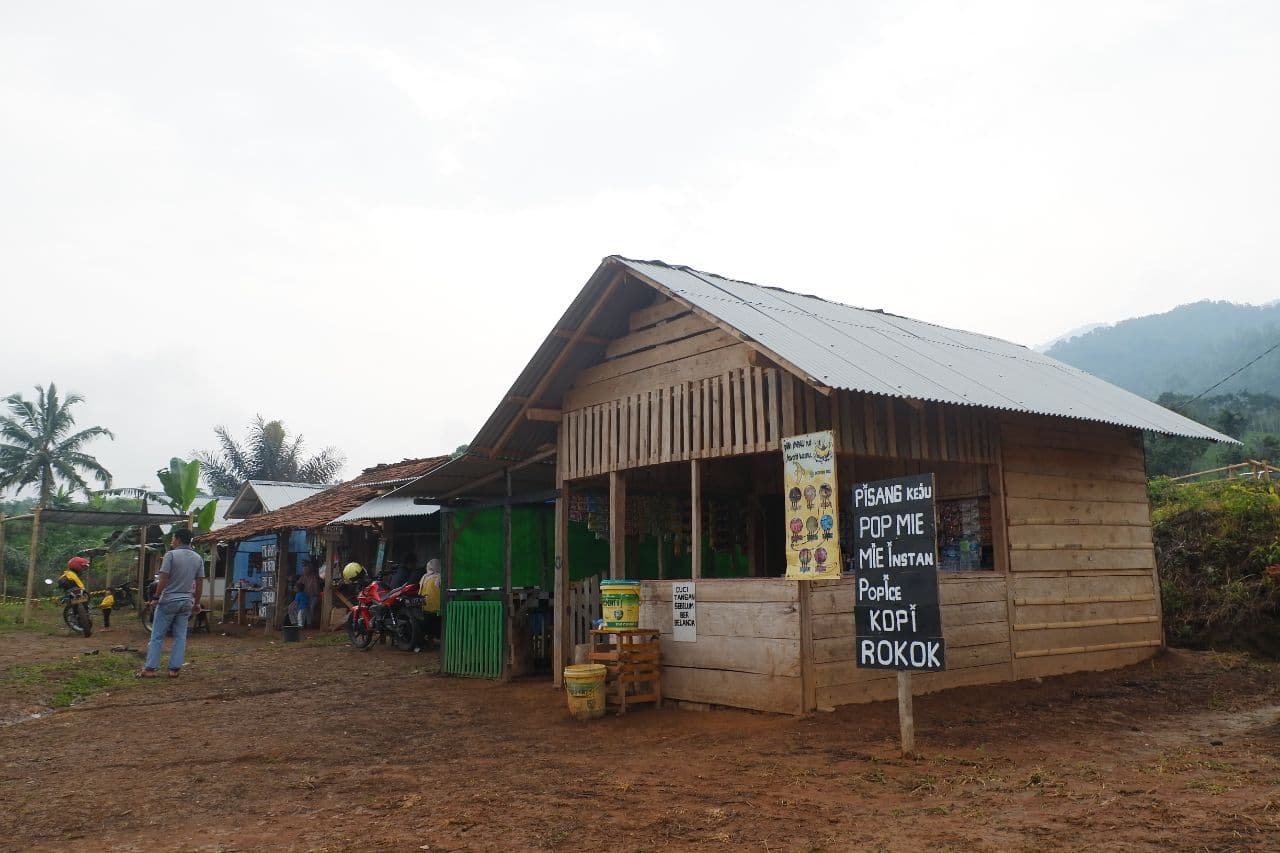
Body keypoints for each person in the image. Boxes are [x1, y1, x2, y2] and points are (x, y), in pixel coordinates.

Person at [139, 528, 205, 679]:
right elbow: (200, 583)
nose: (172, 541)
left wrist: (156, 597)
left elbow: (163, 578)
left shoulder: (171, 555)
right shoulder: (198, 558)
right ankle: (174, 669)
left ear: (179, 539)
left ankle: (150, 668)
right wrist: (197, 603)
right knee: (180, 636)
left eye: (173, 538)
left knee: (157, 635)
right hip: (186, 601)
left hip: (169, 600)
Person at [419, 558, 442, 646]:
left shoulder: (424, 577)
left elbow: (420, 592)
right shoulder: (439, 577)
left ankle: (429, 639)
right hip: (437, 608)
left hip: (424, 607)